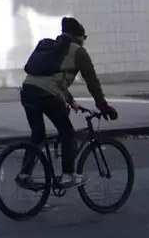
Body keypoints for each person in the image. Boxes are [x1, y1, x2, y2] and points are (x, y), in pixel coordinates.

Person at [20, 16, 117, 188]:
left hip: (27, 92)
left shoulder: (52, 48)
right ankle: (67, 176)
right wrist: (103, 106)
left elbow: (54, 79)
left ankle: (24, 175)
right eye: (84, 38)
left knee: (38, 135)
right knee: (67, 132)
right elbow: (92, 82)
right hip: (47, 95)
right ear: (79, 36)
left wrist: (71, 101)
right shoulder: (78, 51)